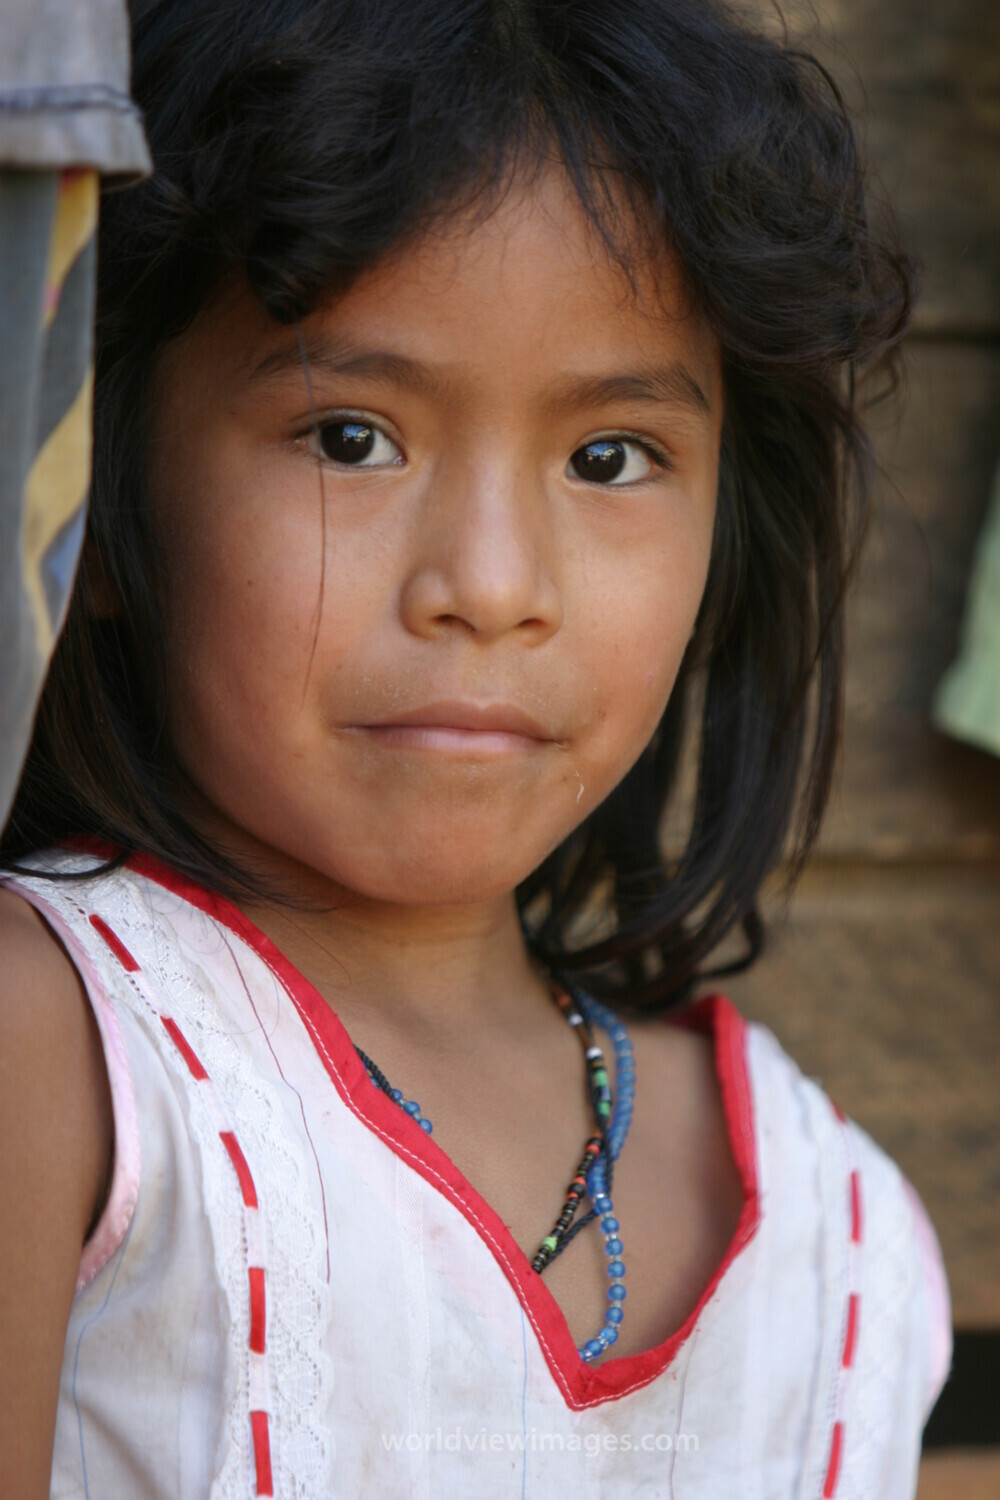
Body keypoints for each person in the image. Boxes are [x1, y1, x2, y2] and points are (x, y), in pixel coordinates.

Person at [0, 0, 953, 1494]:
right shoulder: (61, 1049)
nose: (494, 585)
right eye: (351, 437)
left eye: (609, 459)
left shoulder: (847, 1240)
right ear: (96, 500)